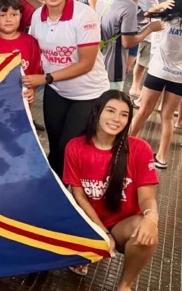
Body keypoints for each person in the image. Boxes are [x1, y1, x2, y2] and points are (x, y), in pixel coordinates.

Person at [63, 90, 159, 288]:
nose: (116, 119)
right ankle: (87, 252)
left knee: (148, 235)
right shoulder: (75, 146)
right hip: (87, 221)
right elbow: (78, 195)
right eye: (110, 111)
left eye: (124, 115)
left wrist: (151, 219)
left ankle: (125, 285)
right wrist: (102, 233)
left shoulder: (140, 148)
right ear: (97, 112)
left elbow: (147, 198)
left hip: (122, 224)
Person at [22, 0, 110, 178]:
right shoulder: (37, 17)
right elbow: (36, 53)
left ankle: (69, 197)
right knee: (54, 147)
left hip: (88, 94)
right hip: (57, 91)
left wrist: (44, 78)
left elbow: (86, 64)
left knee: (69, 149)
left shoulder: (84, 15)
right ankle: (54, 192)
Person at [129, 0, 182, 169]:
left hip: (158, 71)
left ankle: (127, 145)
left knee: (144, 110)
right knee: (167, 117)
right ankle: (162, 157)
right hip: (181, 76)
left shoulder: (167, 19)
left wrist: (160, 6)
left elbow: (143, 16)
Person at [96, 0, 163, 91]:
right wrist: (150, 28)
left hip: (98, 59)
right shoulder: (127, 5)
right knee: (109, 104)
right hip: (113, 66)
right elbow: (128, 42)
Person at [0, 0, 42, 104]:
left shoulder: (30, 41)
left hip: (22, 100)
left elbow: (37, 73)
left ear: (20, 16)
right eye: (2, 15)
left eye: (14, 14)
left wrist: (33, 90)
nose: (8, 19)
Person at [129, 0, 174, 100]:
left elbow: (170, 5)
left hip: (152, 33)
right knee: (132, 62)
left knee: (144, 61)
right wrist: (160, 7)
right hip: (137, 32)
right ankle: (132, 87)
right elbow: (147, 12)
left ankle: (137, 88)